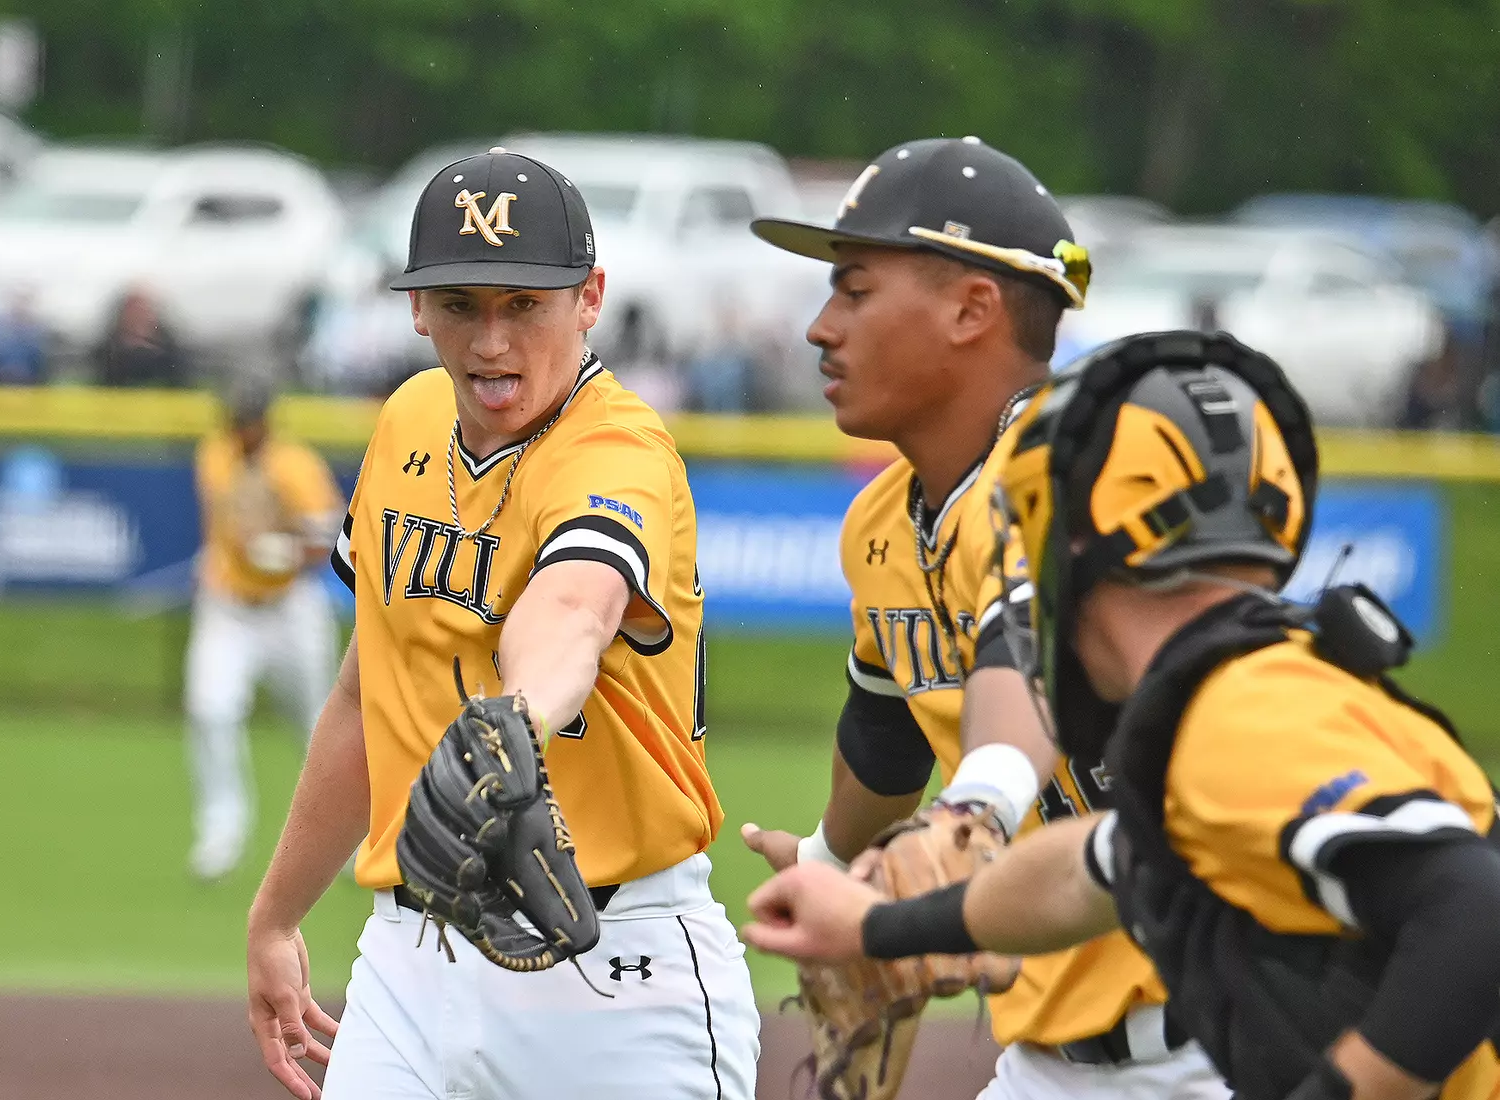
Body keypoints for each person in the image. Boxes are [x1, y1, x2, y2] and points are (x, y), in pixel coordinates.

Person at [742, 331, 1500, 1100]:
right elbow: (1087, 873)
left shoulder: (1243, 708)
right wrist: (875, 926)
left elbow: (1477, 907)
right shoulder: (1216, 704)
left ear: (1079, 549)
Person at [244, 147, 758, 1100]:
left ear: (590, 297)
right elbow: (366, 693)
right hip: (409, 957)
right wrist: (277, 917)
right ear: (414, 308)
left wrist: (507, 725)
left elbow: (575, 604)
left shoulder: (617, 450)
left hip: (616, 973)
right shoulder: (406, 421)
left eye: (525, 304)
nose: (491, 342)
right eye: (461, 304)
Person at [739, 138, 1228, 1100]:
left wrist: (978, 812)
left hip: (1242, 1031)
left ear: (972, 308)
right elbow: (882, 748)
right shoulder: (882, 520)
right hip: (1049, 1057)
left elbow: (1028, 669)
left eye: (855, 290)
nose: (820, 328)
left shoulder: (1091, 467)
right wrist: (834, 862)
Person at [186, 384, 341, 880]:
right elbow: (221, 527)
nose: (241, 431)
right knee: (210, 710)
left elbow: (327, 542)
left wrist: (284, 551)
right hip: (229, 607)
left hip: (290, 606)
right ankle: (221, 830)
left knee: (319, 725)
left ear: (266, 422)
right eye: (235, 421)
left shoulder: (296, 466)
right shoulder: (213, 457)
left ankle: (343, 837)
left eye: (248, 421)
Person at [98, 287, 186, 388]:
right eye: (133, 309)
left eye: (144, 309)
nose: (138, 315)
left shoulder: (172, 352)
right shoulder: (106, 352)